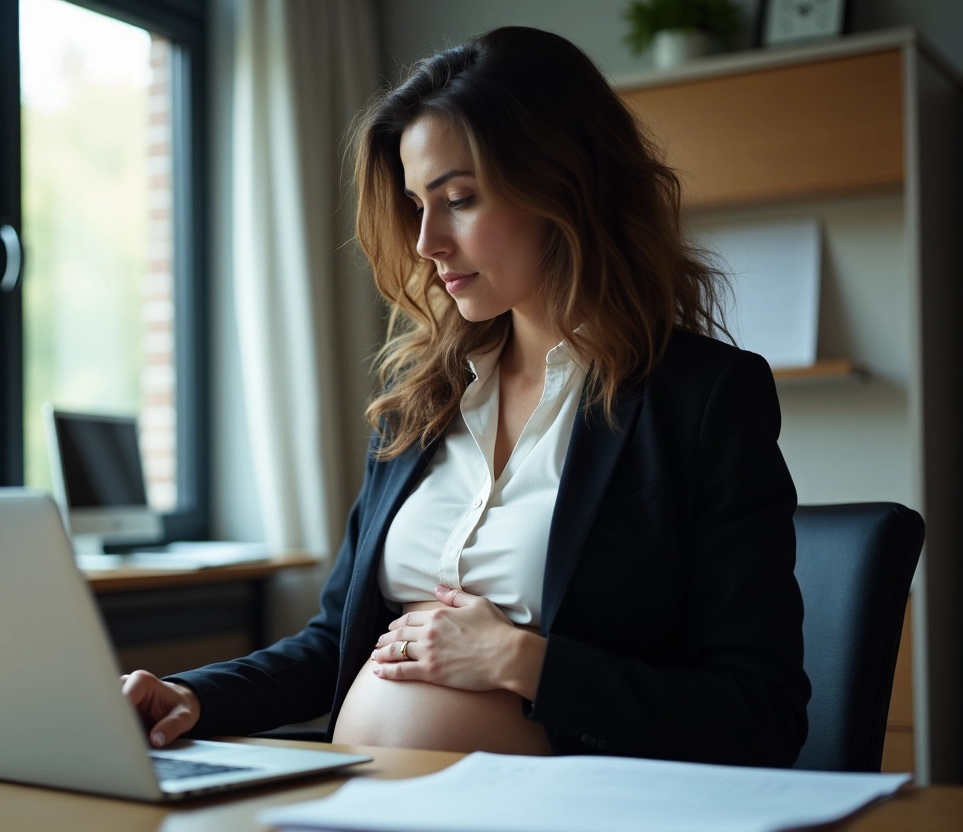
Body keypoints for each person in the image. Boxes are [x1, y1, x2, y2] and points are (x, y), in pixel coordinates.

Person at [122, 25, 810, 766]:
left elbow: (759, 713)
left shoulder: (702, 401)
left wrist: (522, 662)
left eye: (458, 199)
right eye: (418, 204)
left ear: (566, 186)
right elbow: (335, 644)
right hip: (353, 807)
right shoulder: (421, 399)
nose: (426, 242)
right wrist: (195, 695)